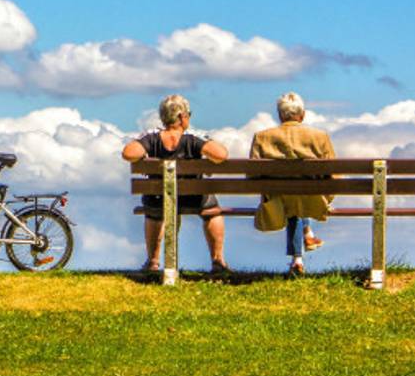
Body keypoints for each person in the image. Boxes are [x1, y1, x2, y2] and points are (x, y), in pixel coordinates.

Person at [122, 94, 230, 274]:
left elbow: (128, 153)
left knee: (154, 212)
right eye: (188, 114)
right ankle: (218, 260)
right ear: (181, 117)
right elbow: (221, 154)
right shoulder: (193, 138)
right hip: (193, 199)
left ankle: (153, 261)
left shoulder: (152, 138)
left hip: (158, 199)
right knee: (213, 212)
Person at [249, 92, 334, 275]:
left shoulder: (262, 137)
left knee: (289, 197)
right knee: (298, 196)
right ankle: (306, 236)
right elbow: (332, 175)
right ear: (302, 115)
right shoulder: (320, 137)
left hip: (277, 201)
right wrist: (327, 199)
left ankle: (297, 258)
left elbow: (252, 175)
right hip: (312, 199)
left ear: (280, 115)